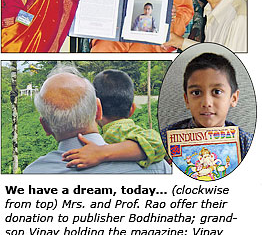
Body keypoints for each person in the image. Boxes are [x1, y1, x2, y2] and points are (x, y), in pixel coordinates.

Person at [23, 65, 170, 174]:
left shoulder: (32, 174)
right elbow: (158, 143)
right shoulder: (157, 167)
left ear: (45, 126)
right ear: (98, 110)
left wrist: (103, 152)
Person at [62, 69, 166, 169]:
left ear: (96, 109)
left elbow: (157, 143)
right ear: (132, 109)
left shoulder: (117, 130)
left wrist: (101, 152)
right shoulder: (119, 131)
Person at [160, 53, 253, 161]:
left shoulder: (246, 143)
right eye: (196, 92)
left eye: (217, 91)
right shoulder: (165, 140)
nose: (206, 103)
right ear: (187, 100)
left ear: (233, 98)